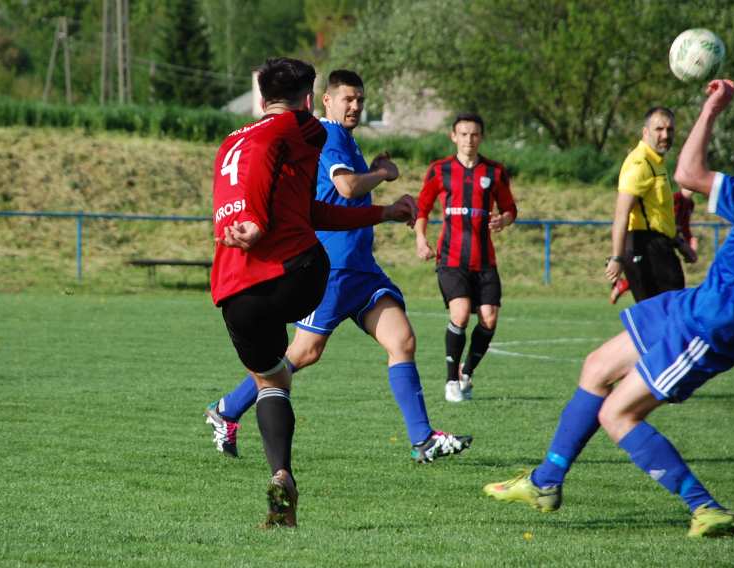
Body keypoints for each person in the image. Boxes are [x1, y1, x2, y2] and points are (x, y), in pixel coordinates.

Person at [483, 83, 734, 538]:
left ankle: (704, 507)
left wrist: (711, 108)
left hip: (714, 324)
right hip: (697, 302)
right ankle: (545, 481)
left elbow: (688, 172)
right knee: (597, 366)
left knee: (617, 414)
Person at [206, 69, 472, 471]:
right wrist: (383, 175)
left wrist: (383, 207)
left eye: (361, 100)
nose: (355, 106)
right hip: (332, 270)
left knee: (402, 341)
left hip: (361, 269)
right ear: (323, 101)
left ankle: (423, 439)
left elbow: (342, 196)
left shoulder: (344, 140)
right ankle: (227, 410)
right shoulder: (324, 136)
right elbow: (346, 188)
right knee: (302, 353)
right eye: (347, 98)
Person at [210, 57, 418, 528]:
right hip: (297, 274)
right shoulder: (303, 131)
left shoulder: (228, 143)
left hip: (233, 291)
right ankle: (278, 475)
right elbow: (310, 181)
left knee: (273, 378)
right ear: (309, 102)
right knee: (285, 368)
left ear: (259, 98)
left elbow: (302, 210)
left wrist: (381, 213)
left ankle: (281, 471)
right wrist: (259, 225)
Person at [414, 113, 517, 402]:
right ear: (453, 136)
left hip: (484, 261)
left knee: (489, 319)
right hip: (451, 259)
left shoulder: (495, 172)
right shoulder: (439, 170)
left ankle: (466, 373)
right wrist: (421, 239)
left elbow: (510, 209)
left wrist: (503, 220)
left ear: (481, 137)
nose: (469, 140)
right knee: (459, 314)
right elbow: (422, 208)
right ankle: (450, 383)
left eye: (474, 135)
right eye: (463, 134)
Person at [605, 107, 697, 303]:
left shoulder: (656, 163)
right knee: (667, 317)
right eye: (659, 129)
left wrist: (680, 244)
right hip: (644, 247)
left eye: (670, 130)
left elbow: (659, 216)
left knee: (668, 317)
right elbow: (621, 215)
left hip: (660, 247)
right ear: (645, 132)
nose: (665, 135)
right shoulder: (640, 164)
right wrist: (617, 258)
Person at [610, 187, 698, 304]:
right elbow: (667, 220)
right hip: (655, 238)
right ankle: (623, 285)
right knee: (655, 281)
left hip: (670, 238)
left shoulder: (690, 204)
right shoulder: (675, 198)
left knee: (664, 282)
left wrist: (687, 240)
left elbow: (684, 226)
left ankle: (624, 285)